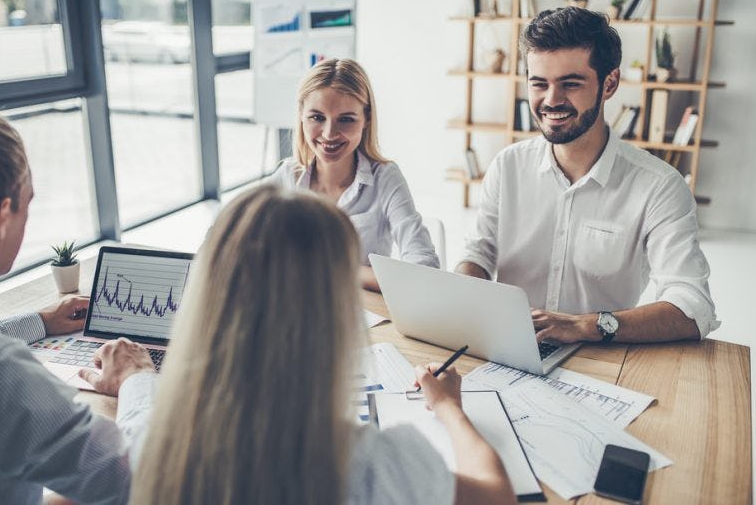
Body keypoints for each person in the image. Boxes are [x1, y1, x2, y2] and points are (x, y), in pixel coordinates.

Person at [127, 185, 516, 505]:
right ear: (333, 316)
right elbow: (496, 496)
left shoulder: (156, 442)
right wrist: (449, 409)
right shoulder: (369, 466)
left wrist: (136, 379)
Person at [0, 100, 156, 504]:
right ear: (1, 216)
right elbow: (145, 477)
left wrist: (39, 322)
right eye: (28, 202)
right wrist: (136, 379)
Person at [456, 7, 719, 344]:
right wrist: (461, 298)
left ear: (609, 83)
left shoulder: (659, 187)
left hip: (601, 355)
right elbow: (477, 254)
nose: (551, 100)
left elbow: (693, 307)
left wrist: (586, 326)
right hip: (509, 349)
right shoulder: (507, 166)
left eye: (571, 84)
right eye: (539, 84)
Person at [269, 58, 439, 291]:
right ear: (301, 115)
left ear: (366, 119)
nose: (329, 134)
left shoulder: (385, 178)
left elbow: (425, 270)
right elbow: (230, 235)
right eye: (317, 117)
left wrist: (334, 268)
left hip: (362, 315)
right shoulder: (288, 176)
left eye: (346, 120)